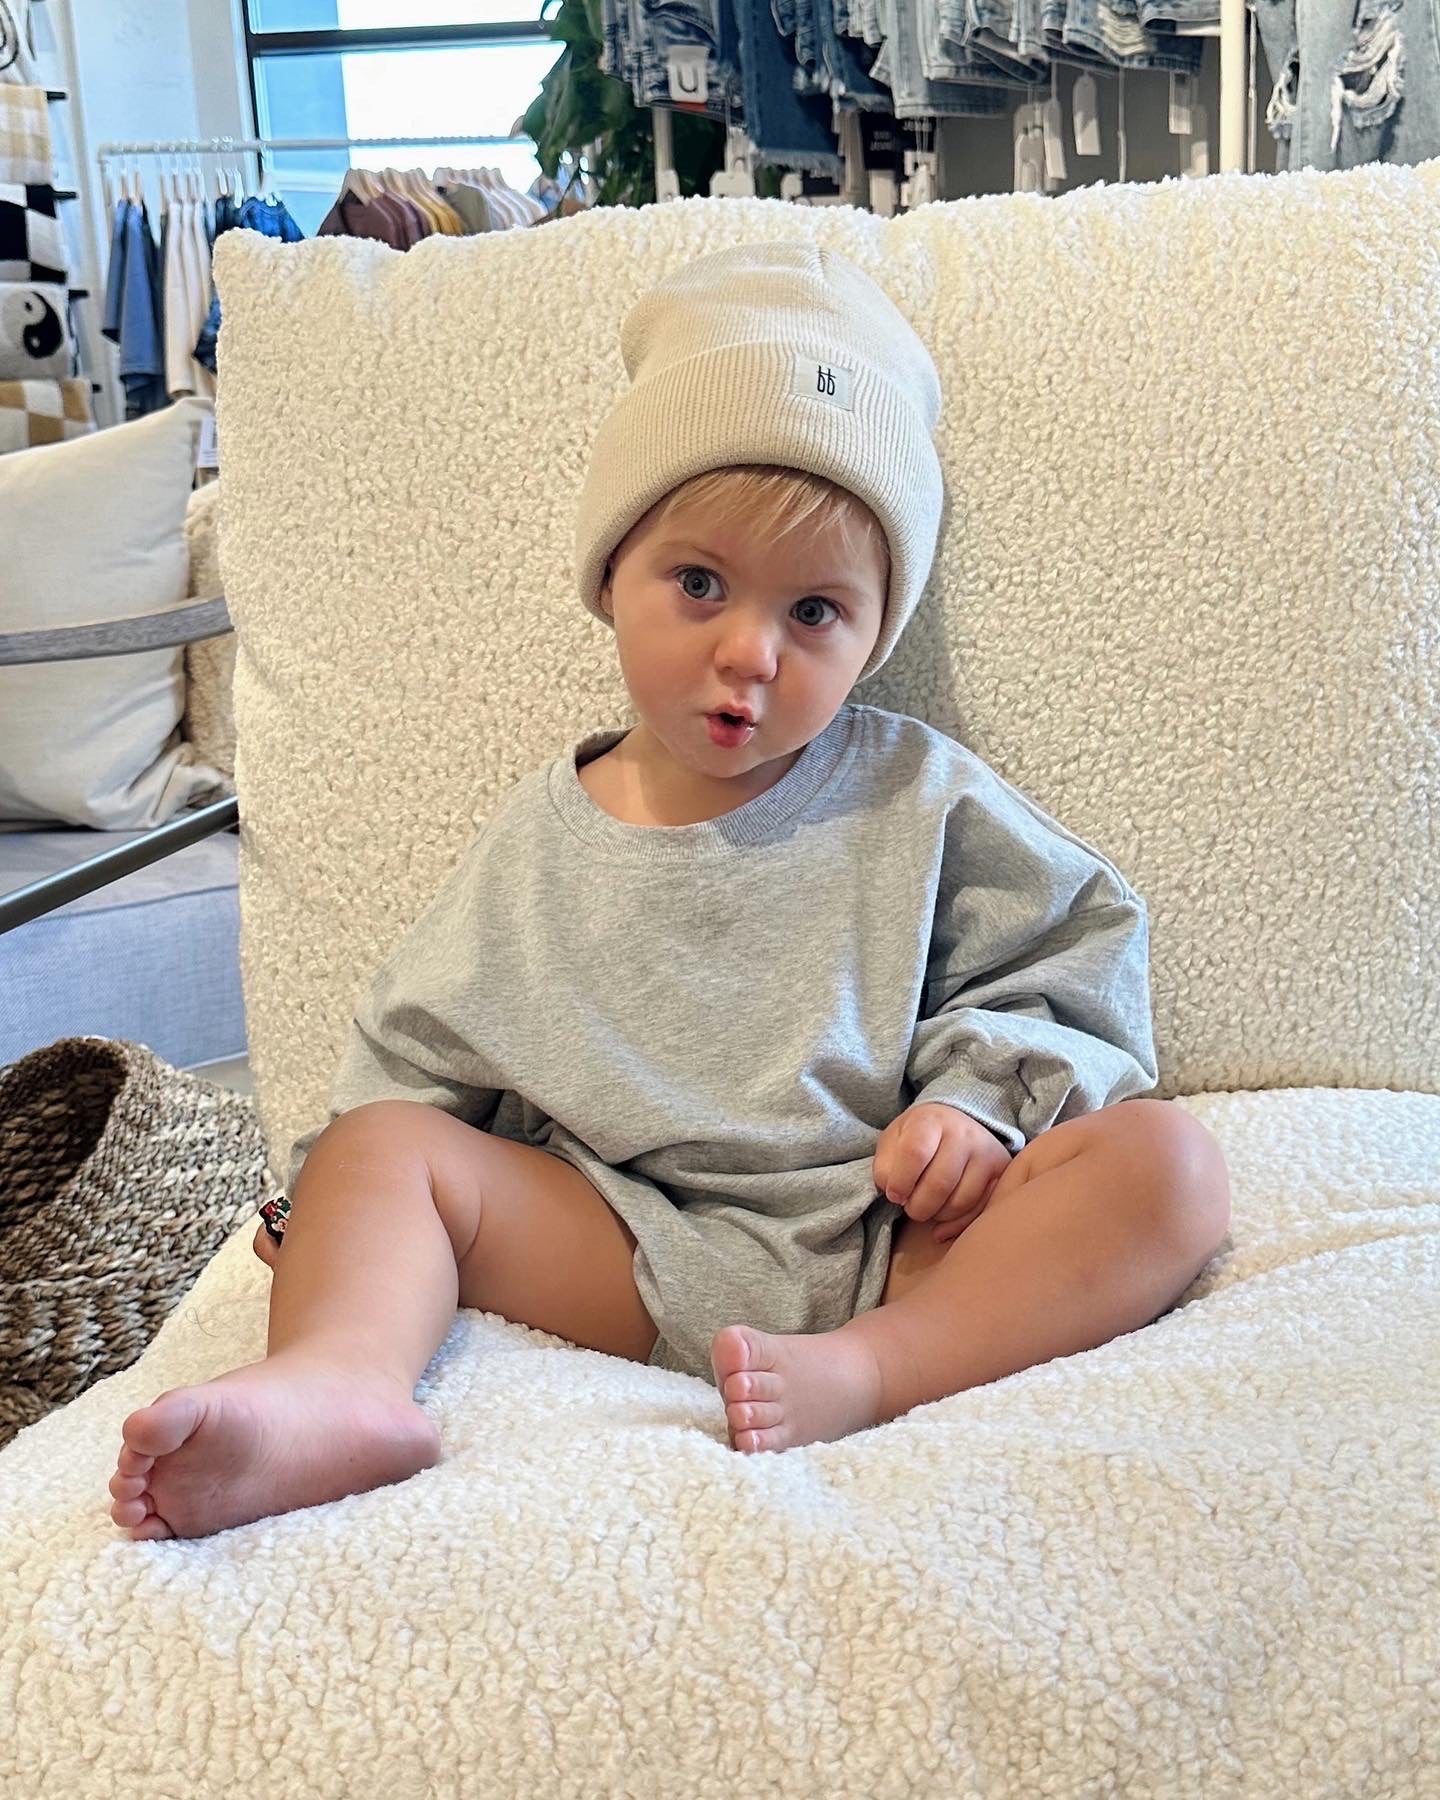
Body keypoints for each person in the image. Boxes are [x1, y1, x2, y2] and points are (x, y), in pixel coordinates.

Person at [107, 241, 1231, 1542]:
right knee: (378, 1151)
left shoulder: (918, 796)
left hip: (894, 1237)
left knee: (1170, 1169)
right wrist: (331, 1214)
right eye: (699, 584)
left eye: (816, 612)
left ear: (875, 633)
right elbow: (418, 1048)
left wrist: (980, 1104)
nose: (748, 651)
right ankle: (340, 1384)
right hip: (628, 1245)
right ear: (612, 577)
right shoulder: (545, 839)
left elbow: (1082, 948)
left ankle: (875, 1374)